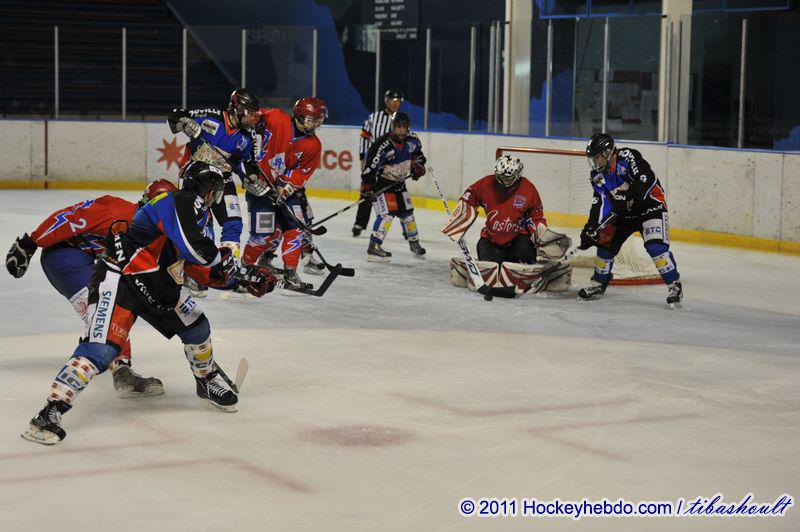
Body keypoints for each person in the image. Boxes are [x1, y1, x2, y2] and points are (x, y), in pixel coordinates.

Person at [20, 161, 276, 445]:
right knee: (101, 349)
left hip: (156, 283)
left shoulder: (190, 217)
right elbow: (198, 252)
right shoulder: (175, 202)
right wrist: (31, 242)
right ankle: (49, 412)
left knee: (196, 326)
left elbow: (199, 268)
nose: (211, 200)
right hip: (121, 281)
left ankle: (206, 380)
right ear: (205, 191)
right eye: (212, 193)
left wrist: (240, 281)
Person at [5, 180, 177, 396]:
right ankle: (119, 370)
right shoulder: (116, 210)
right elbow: (71, 217)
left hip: (86, 261)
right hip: (64, 256)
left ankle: (97, 344)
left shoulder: (158, 233)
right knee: (108, 310)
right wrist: (31, 242)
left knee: (116, 306)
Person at [168, 88, 262, 297]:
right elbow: (174, 115)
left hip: (223, 179)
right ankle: (195, 273)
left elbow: (249, 164)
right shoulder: (210, 116)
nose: (252, 118)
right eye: (250, 112)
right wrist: (184, 122)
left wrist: (252, 178)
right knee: (201, 225)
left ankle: (229, 272)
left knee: (233, 223)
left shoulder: (248, 136)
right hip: (196, 174)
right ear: (237, 109)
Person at [578, 133, 682, 307]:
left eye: (597, 157)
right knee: (604, 244)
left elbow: (645, 178)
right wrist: (591, 227)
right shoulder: (597, 175)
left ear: (608, 153)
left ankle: (674, 286)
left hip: (650, 207)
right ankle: (598, 284)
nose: (595, 162)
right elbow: (599, 202)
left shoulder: (627, 157)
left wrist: (627, 196)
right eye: (593, 158)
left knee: (655, 247)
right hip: (624, 214)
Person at [442, 155, 572, 294]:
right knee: (490, 264)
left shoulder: (528, 189)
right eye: (501, 177)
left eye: (508, 178)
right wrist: (461, 215)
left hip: (519, 239)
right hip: (491, 239)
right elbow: (470, 195)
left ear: (518, 175)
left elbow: (535, 217)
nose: (504, 181)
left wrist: (541, 236)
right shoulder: (486, 184)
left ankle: (528, 267)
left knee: (522, 259)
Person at [241, 97, 326, 293]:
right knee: (263, 235)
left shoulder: (313, 145)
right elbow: (254, 116)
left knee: (296, 229)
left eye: (318, 121)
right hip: (260, 188)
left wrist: (286, 188)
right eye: (311, 120)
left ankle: (290, 274)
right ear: (299, 116)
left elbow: (301, 172)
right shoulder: (277, 118)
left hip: (285, 191)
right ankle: (245, 268)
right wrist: (255, 125)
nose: (315, 125)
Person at [361, 112, 427, 262]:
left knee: (408, 214)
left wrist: (418, 166)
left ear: (408, 128)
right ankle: (374, 246)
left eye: (404, 127)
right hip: (382, 185)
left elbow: (419, 156)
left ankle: (414, 243)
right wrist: (367, 187)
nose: (401, 130)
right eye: (398, 127)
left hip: (400, 184)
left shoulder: (413, 140)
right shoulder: (382, 144)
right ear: (393, 127)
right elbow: (370, 167)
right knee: (386, 215)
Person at [352, 89, 404, 238]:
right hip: (375, 162)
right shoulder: (374, 118)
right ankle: (360, 223)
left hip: (394, 164)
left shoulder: (402, 120)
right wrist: (363, 158)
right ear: (386, 101)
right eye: (392, 101)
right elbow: (364, 137)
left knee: (399, 192)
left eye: (398, 101)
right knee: (367, 190)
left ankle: (407, 227)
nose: (395, 104)